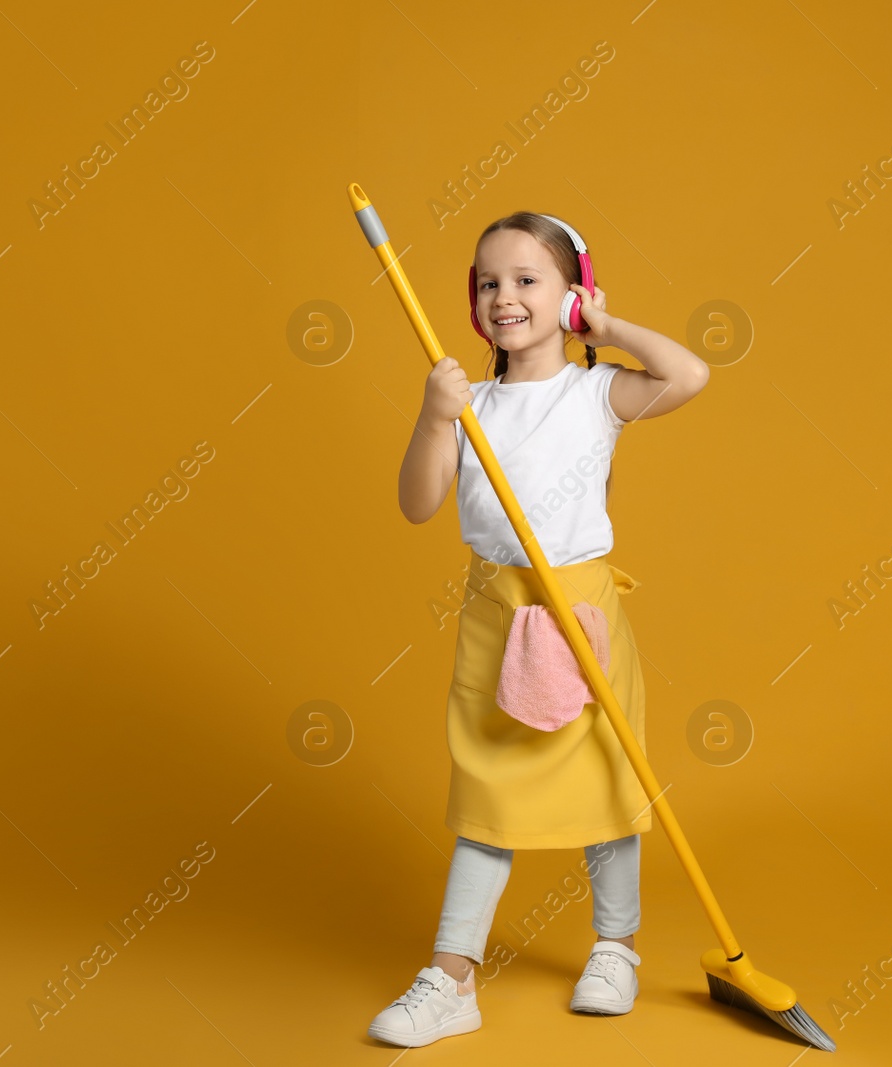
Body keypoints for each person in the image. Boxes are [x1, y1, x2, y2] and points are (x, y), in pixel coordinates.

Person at [367, 211, 710, 1048]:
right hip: (497, 617)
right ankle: (451, 978)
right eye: (489, 281)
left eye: (528, 280)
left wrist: (609, 326)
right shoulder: (469, 403)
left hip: (583, 610)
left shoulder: (598, 392)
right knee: (488, 788)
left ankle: (616, 949)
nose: (504, 296)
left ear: (571, 294)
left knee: (606, 776)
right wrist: (430, 415)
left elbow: (690, 373)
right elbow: (418, 505)